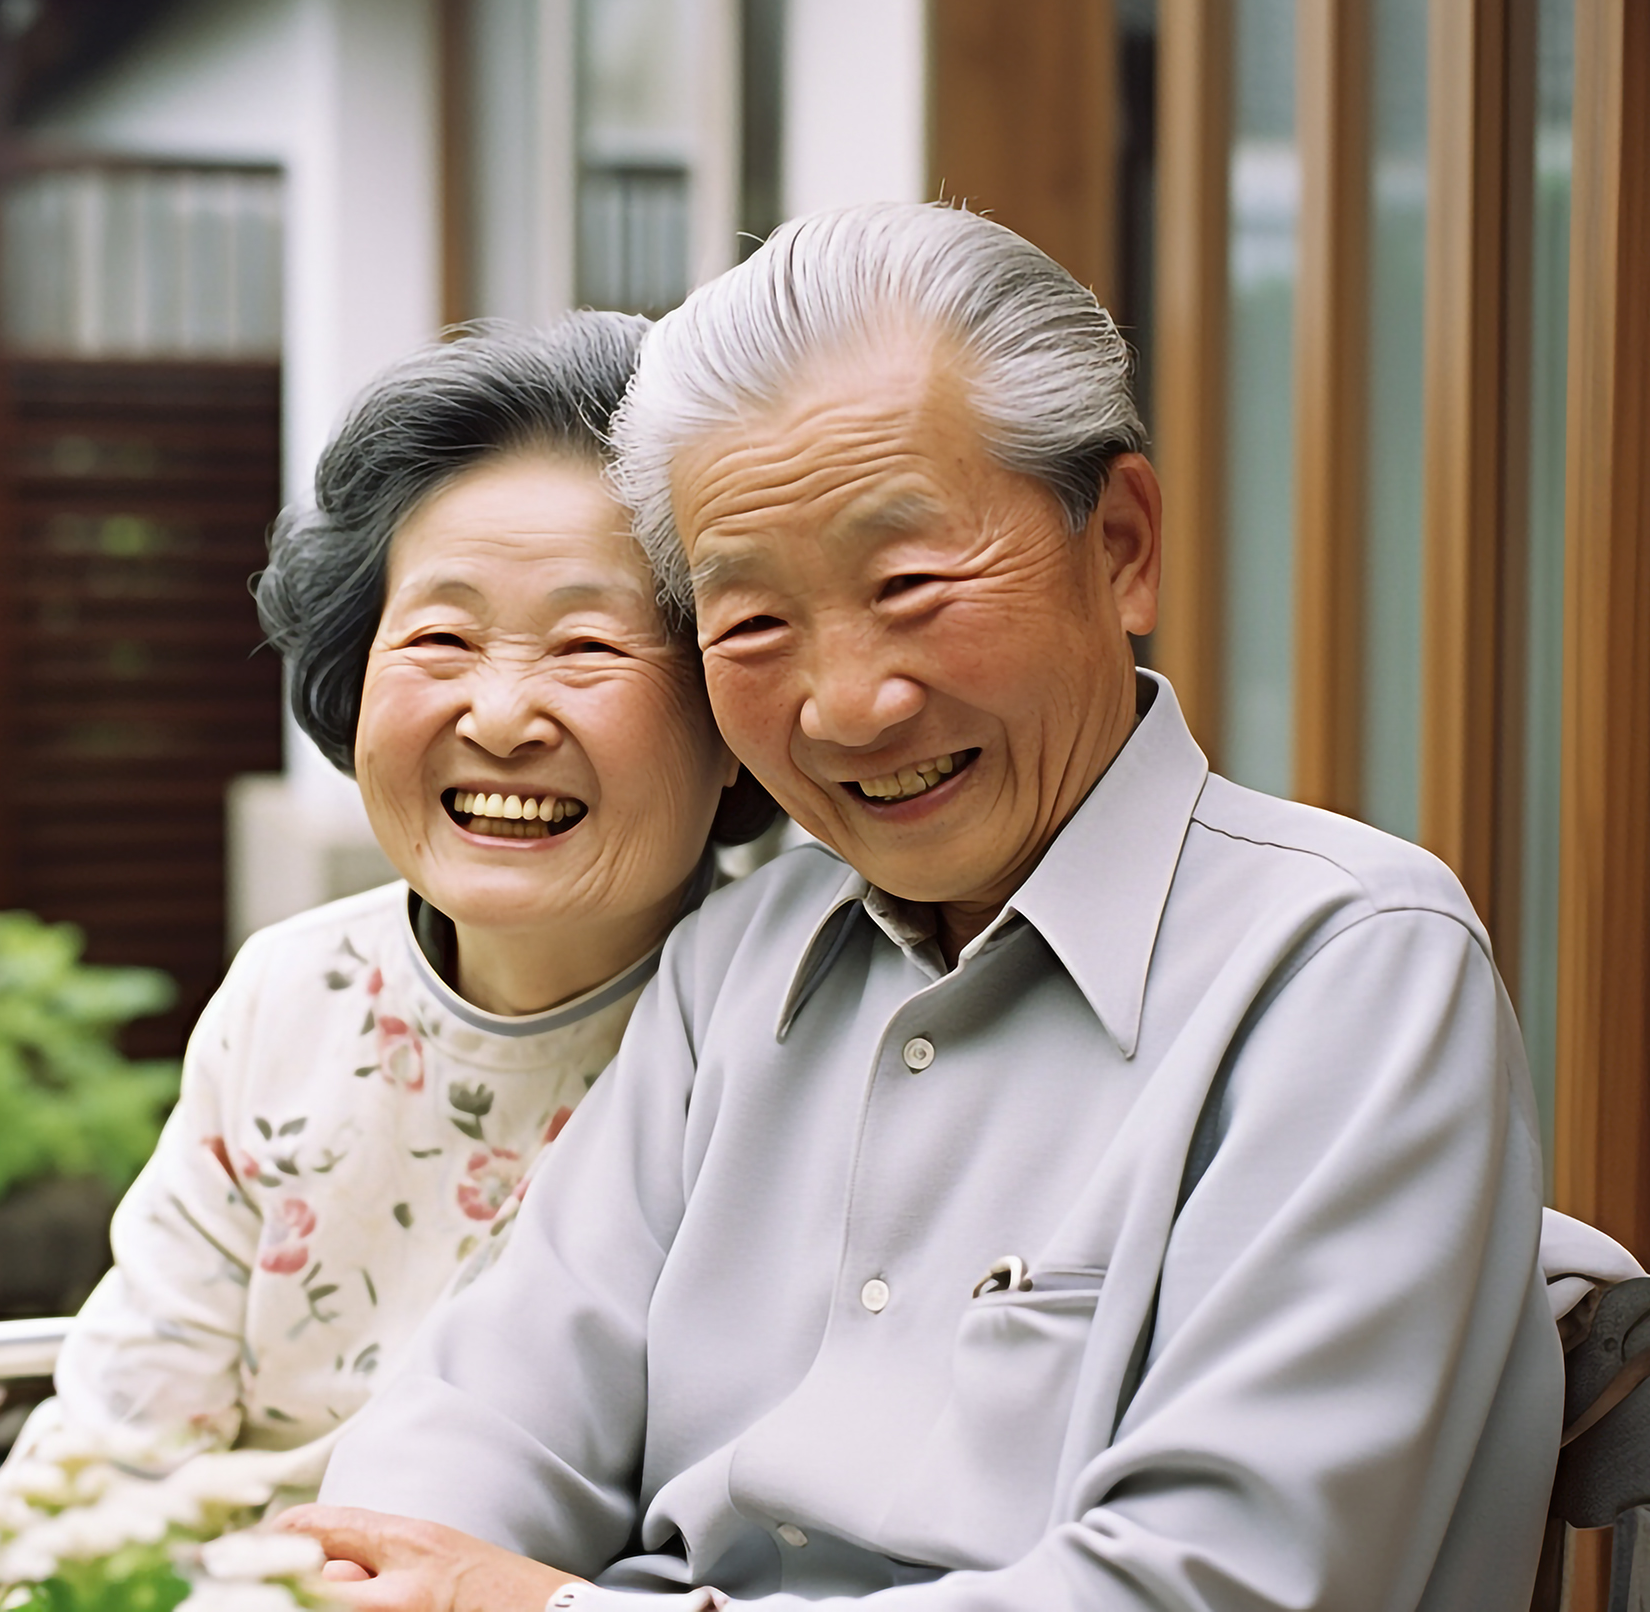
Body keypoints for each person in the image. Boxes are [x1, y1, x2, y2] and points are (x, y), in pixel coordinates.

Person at [285, 203, 1563, 1612]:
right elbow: (490, 1414)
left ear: (1122, 544)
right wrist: (383, 1571)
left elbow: (1213, 1586)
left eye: (908, 586)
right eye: (755, 621)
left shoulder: (1348, 969)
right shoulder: (736, 968)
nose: (849, 705)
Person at [28, 312, 779, 1490]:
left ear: (731, 711)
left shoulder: (791, 1030)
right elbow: (117, 1438)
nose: (498, 716)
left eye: (585, 648)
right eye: (440, 635)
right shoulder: (290, 993)